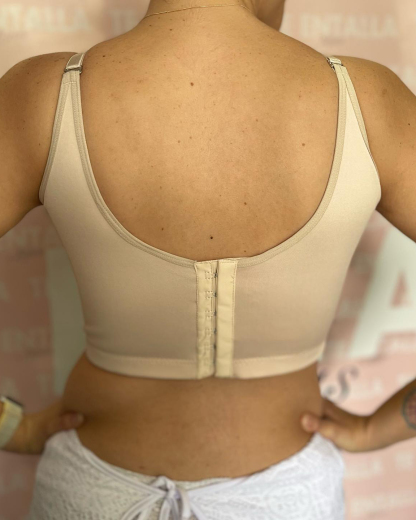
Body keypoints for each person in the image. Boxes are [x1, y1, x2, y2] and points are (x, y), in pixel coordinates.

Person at [0, 0, 415, 518]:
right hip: (284, 499)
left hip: (91, 492)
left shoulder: (42, 94)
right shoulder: (369, 100)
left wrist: (11, 427)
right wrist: (379, 427)